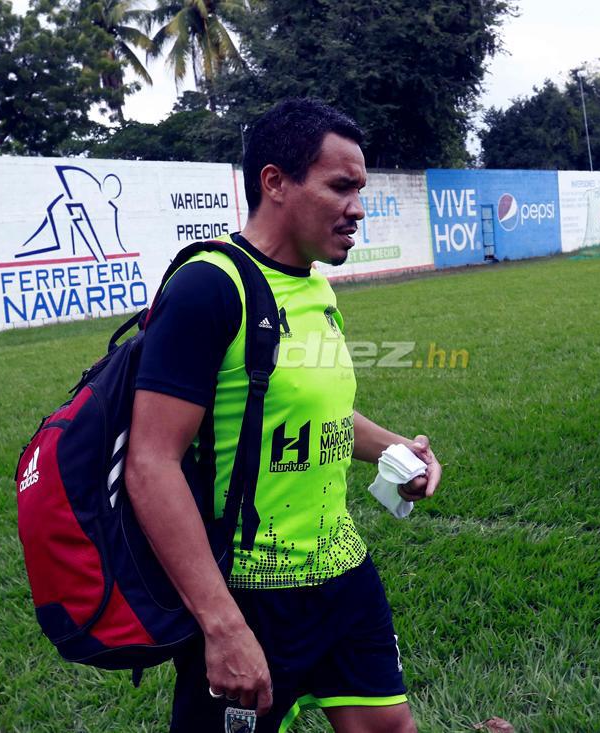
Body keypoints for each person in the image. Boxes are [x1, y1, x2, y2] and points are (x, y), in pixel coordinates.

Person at [125, 99, 441, 733]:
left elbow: (314, 409)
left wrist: (393, 449)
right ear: (275, 182)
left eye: (360, 190)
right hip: (252, 594)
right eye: (341, 186)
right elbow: (150, 462)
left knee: (388, 727)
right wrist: (223, 626)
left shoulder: (314, 285)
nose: (358, 207)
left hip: (342, 571)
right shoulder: (209, 287)